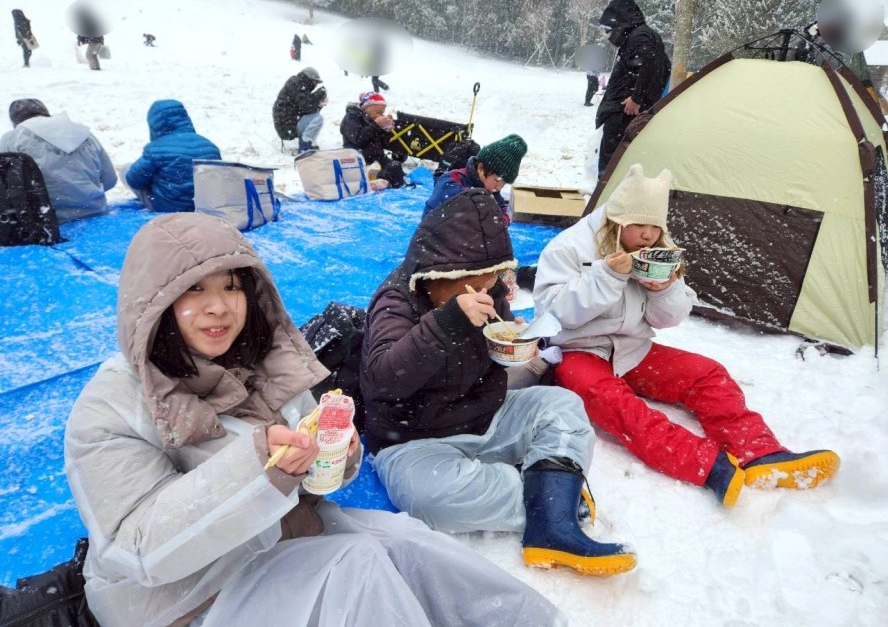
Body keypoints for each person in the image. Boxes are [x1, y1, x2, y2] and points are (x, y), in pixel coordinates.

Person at [64, 212, 566, 627]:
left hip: (287, 537)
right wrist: (259, 470)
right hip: (188, 598)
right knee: (357, 570)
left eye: (232, 287)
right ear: (154, 304)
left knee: (415, 547)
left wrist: (337, 458)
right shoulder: (112, 405)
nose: (218, 307)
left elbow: (312, 478)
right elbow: (140, 551)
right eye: (193, 289)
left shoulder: (264, 363)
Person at [361, 189, 636, 577]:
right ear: (436, 274)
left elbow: (496, 333)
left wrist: (516, 339)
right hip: (415, 439)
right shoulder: (397, 302)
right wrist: (447, 322)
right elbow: (382, 381)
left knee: (561, 405)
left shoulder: (488, 288)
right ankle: (556, 498)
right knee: (430, 500)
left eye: (491, 279)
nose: (484, 291)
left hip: (484, 415)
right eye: (472, 284)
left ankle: (550, 515)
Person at [532, 163, 841, 507]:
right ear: (617, 220)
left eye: (655, 227)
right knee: (613, 402)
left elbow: (669, 318)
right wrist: (607, 277)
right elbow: (555, 314)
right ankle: (708, 465)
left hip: (632, 349)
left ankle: (759, 452)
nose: (648, 235)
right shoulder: (569, 248)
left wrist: (664, 289)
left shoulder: (658, 250)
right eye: (639, 226)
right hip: (577, 351)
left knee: (707, 373)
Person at [0, 99, 117, 223]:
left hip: (49, 221)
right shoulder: (84, 133)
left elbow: (4, 187)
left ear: (15, 121)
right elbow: (110, 180)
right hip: (97, 213)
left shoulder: (12, 138)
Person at [595, 0, 670, 177]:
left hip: (623, 114)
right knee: (619, 161)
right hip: (623, 112)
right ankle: (608, 187)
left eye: (609, 30)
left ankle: (606, 190)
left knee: (613, 162)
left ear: (621, 24)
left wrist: (637, 98)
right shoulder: (641, 35)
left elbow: (650, 65)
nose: (608, 35)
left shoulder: (640, 36)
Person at [124, 99, 221, 212]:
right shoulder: (209, 145)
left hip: (167, 206)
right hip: (203, 205)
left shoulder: (156, 149)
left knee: (127, 169)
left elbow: (134, 181)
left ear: (154, 124)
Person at [423, 133, 526, 225]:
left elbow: (503, 209)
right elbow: (470, 212)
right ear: (481, 169)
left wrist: (502, 219)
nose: (498, 188)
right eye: (497, 181)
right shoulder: (452, 181)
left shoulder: (491, 189)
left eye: (503, 184)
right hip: (433, 236)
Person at [340, 91, 406, 190]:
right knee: (390, 174)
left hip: (377, 160)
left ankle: (389, 184)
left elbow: (383, 144)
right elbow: (359, 140)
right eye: (379, 112)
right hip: (359, 162)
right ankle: (380, 183)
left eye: (382, 112)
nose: (381, 114)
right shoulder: (351, 118)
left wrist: (386, 130)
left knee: (395, 167)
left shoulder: (371, 119)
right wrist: (376, 125)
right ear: (367, 107)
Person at [272, 66, 327, 153]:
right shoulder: (297, 84)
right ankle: (305, 146)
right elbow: (306, 106)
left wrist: (319, 105)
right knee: (318, 119)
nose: (316, 85)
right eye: (315, 81)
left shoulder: (298, 83)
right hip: (287, 126)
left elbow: (305, 109)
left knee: (315, 116)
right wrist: (319, 94)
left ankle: (307, 143)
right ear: (309, 78)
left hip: (288, 124)